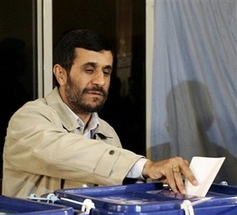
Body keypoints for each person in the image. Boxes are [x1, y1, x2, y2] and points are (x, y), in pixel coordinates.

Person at [2, 29, 198, 198]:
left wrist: (156, 183)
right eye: (89, 70)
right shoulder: (28, 119)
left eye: (106, 72)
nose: (100, 81)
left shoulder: (107, 132)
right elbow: (67, 152)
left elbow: (115, 194)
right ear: (61, 74)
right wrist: (144, 167)